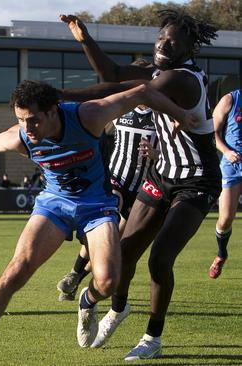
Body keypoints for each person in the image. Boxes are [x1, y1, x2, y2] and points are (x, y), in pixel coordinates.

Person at [0, 79, 194, 366]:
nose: (27, 128)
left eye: (33, 120)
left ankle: (87, 301)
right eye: (20, 120)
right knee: (15, 271)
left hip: (97, 206)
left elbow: (142, 91)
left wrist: (182, 115)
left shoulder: (89, 116)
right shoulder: (22, 136)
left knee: (107, 282)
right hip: (54, 204)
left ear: (54, 110)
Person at [61, 10, 220, 360]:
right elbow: (112, 73)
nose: (165, 45)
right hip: (161, 175)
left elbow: (125, 91)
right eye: (161, 38)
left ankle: (153, 338)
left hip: (196, 180)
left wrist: (59, 96)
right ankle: (113, 308)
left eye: (174, 42)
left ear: (189, 49)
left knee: (160, 258)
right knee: (124, 252)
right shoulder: (158, 71)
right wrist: (85, 39)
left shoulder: (183, 78)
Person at [56, 102, 159, 301]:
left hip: (141, 190)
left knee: (112, 245)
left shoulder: (160, 117)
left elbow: (172, 153)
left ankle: (77, 275)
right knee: (105, 227)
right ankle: (74, 274)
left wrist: (155, 154)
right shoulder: (121, 111)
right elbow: (95, 130)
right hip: (115, 180)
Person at [209, 89, 242, 279]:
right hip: (232, 167)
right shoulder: (230, 99)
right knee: (225, 219)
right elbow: (212, 133)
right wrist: (227, 152)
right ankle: (221, 253)